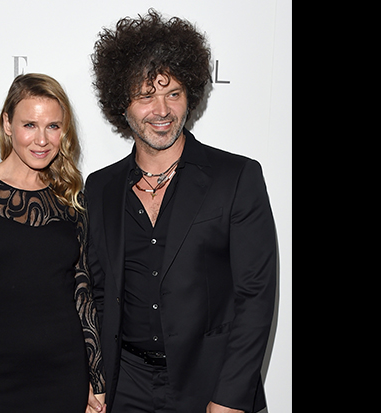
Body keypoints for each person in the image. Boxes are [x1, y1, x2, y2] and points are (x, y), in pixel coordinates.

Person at [85, 9, 276, 413]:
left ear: (190, 94)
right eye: (146, 96)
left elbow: (255, 297)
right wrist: (94, 379)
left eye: (173, 93)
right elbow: (98, 296)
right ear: (122, 103)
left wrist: (229, 398)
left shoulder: (235, 177)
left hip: (210, 386)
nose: (162, 110)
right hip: (124, 386)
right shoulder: (100, 188)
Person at [0, 73, 106, 413]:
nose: (42, 139)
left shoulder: (70, 199)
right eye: (30, 125)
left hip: (66, 371)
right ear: (7, 124)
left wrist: (96, 379)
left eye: (53, 126)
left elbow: (82, 293)